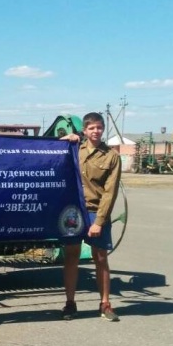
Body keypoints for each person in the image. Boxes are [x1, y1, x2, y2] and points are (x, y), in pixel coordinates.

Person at [60, 111, 122, 322]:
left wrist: (99, 222)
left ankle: (105, 304)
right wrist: (65, 140)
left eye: (99, 127)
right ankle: (70, 303)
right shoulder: (74, 148)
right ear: (84, 130)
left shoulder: (112, 156)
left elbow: (110, 192)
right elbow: (51, 155)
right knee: (71, 257)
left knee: (101, 258)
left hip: (96, 212)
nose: (96, 131)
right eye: (92, 128)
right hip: (74, 212)